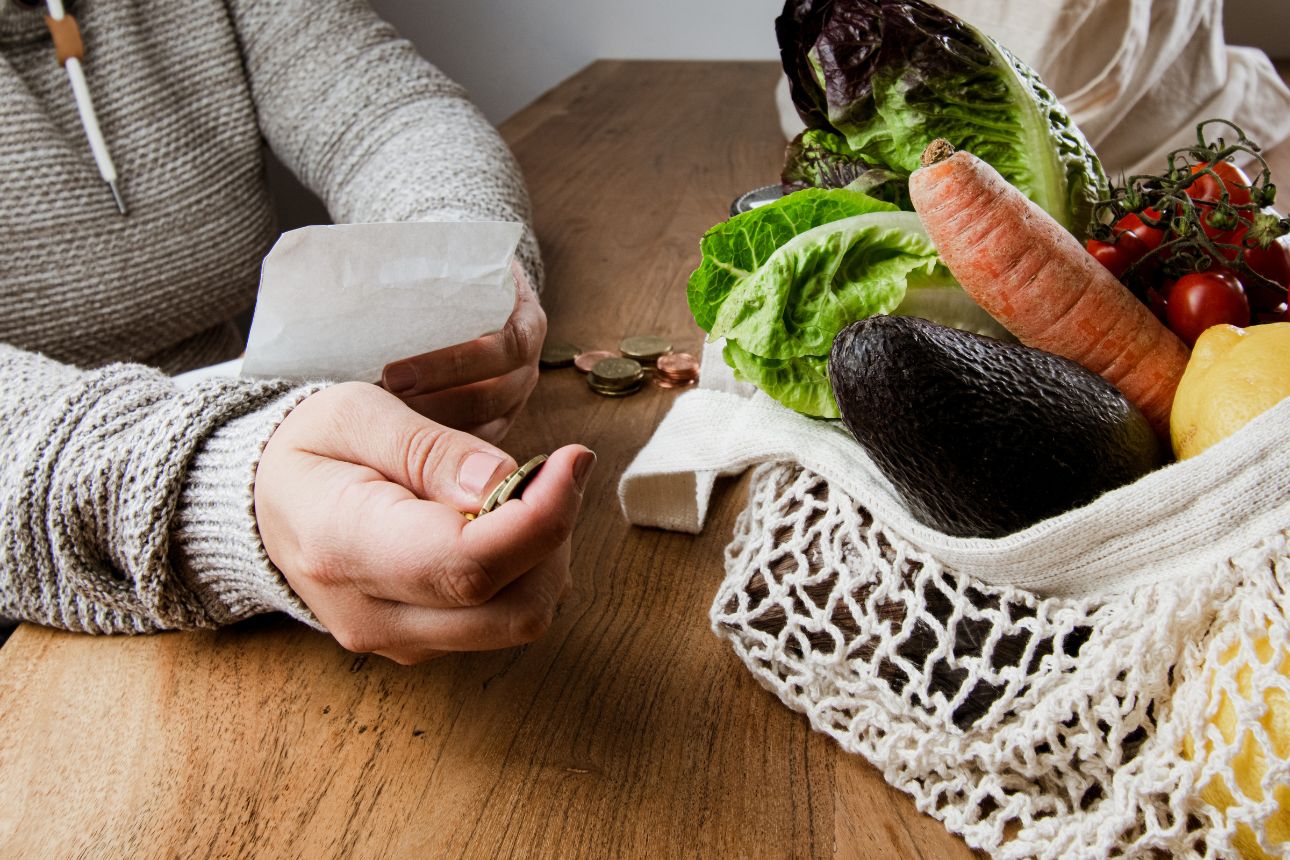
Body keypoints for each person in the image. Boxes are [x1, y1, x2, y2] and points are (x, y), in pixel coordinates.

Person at [0, 0, 595, 664]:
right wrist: (214, 486)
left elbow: (387, 110)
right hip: (47, 591)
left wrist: (458, 274)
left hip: (293, 450)